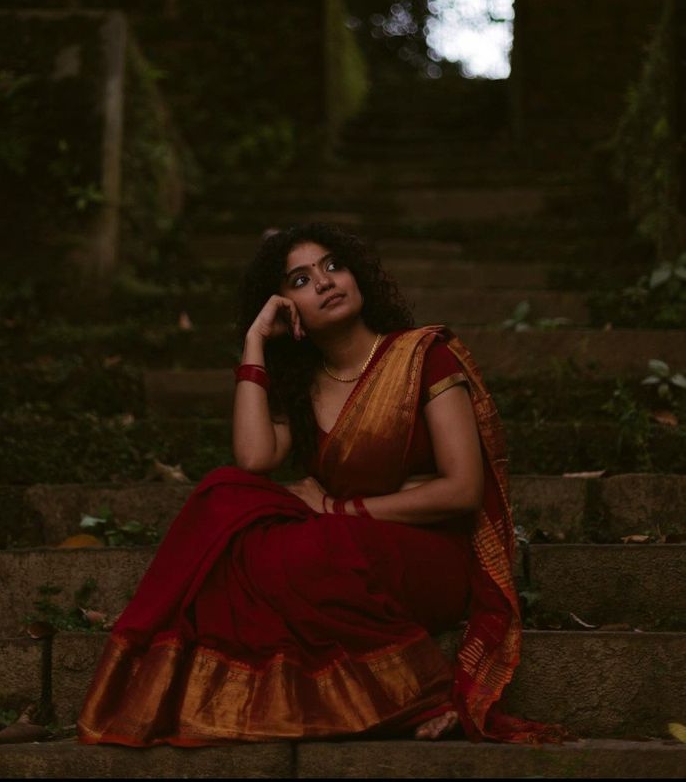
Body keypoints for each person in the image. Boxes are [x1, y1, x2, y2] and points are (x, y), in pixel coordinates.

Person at [77, 223, 571, 747]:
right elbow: (252, 459)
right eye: (301, 279)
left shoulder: (423, 354)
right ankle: (216, 691)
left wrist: (341, 508)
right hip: (342, 551)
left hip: (429, 556)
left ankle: (421, 690)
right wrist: (253, 343)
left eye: (333, 266)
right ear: (285, 305)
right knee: (224, 494)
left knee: (307, 548)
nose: (325, 282)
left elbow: (462, 491)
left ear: (359, 276)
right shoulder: (304, 384)